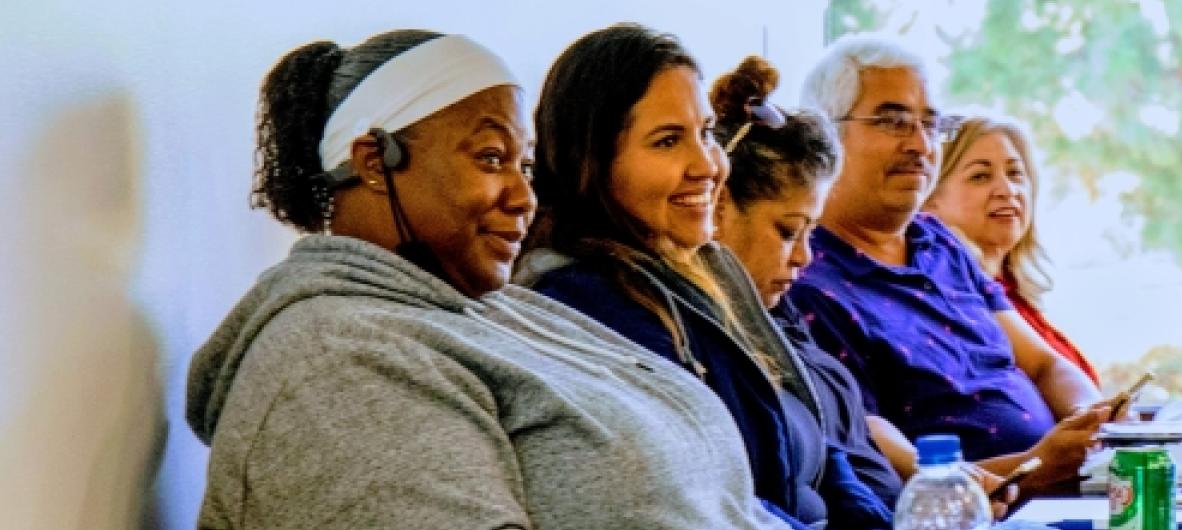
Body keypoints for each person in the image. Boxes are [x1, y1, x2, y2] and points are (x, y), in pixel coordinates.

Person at [185, 30, 789, 529]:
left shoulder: (497, 311)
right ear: (375, 162)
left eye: (524, 165)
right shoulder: (338, 364)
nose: (525, 197)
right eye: (492, 159)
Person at [511, 25, 878, 530]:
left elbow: (812, 434)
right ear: (592, 162)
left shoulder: (705, 270)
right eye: (667, 141)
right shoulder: (581, 305)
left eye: (705, 133)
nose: (706, 164)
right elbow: (700, 499)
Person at [786, 33, 1112, 492]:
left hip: (1065, 491)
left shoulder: (937, 242)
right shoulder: (805, 277)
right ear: (826, 133)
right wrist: (1036, 467)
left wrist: (1091, 420)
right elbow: (875, 455)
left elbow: (1043, 365)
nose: (920, 145)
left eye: (931, 124)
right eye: (894, 122)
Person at [924, 115, 1100, 386]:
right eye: (980, 176)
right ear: (929, 199)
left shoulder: (1015, 294)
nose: (1007, 190)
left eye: (1015, 173)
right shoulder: (949, 302)